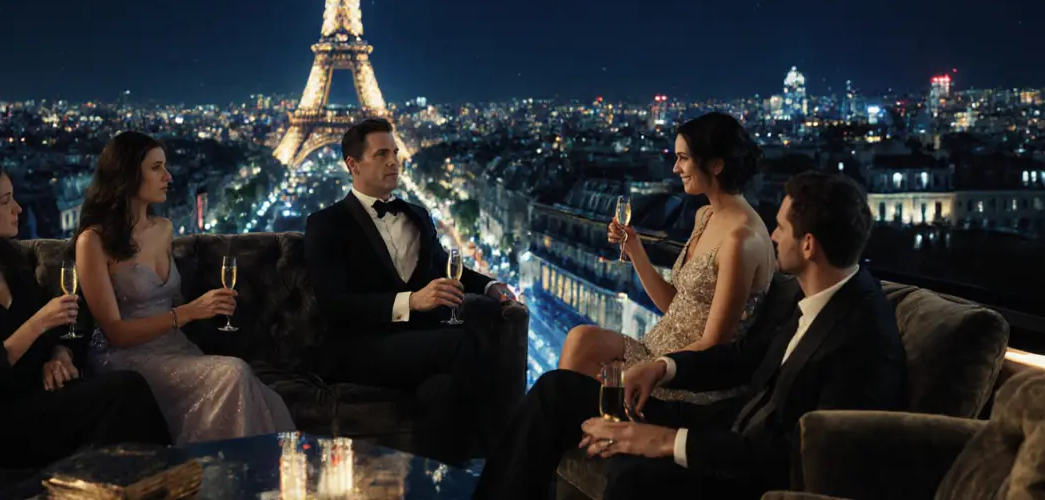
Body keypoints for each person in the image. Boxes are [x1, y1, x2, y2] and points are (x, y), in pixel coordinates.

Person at [475, 171, 907, 499]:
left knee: (633, 479)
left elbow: (800, 456)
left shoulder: (862, 341)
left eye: (780, 227)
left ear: (809, 245)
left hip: (736, 456)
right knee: (555, 391)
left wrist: (667, 441)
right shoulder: (819, 295)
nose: (773, 235)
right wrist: (662, 368)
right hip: (720, 426)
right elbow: (742, 357)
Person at [0, 160, 171, 470]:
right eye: (5, 201)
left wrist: (59, 354)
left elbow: (63, 326)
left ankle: (129, 480)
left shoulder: (8, 261)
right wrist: (37, 324)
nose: (18, 208)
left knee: (123, 397)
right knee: (125, 392)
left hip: (39, 393)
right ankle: (159, 478)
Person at [303, 117, 519, 463]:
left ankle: (440, 479)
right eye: (381, 154)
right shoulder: (326, 224)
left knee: (443, 391)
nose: (393, 161)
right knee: (462, 341)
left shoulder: (416, 215)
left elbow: (446, 266)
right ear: (353, 165)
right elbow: (334, 304)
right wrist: (411, 301)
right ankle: (508, 458)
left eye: (395, 152)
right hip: (362, 348)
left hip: (417, 347)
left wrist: (491, 286)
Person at [76, 131, 294, 444]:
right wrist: (191, 312)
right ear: (127, 175)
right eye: (156, 168)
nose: (168, 176)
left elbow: (169, 299)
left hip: (174, 348)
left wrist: (212, 307)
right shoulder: (92, 242)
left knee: (237, 376)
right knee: (233, 373)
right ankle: (230, 468)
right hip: (125, 358)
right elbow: (116, 333)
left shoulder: (164, 229)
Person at [560, 112, 776, 407]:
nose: (675, 168)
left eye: (683, 158)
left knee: (564, 393)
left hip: (684, 375)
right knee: (580, 339)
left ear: (716, 165)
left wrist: (654, 368)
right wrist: (635, 249)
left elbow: (714, 344)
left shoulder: (741, 240)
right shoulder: (706, 215)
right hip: (656, 350)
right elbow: (675, 306)